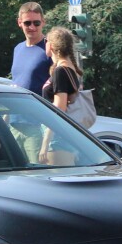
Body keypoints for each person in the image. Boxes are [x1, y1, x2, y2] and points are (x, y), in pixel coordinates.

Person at [8, 1, 51, 158]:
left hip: (37, 124)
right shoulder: (18, 48)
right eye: (27, 23)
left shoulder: (50, 48)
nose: (32, 27)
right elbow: (15, 84)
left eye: (36, 22)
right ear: (20, 23)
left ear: (43, 22)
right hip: (14, 123)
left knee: (37, 175)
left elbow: (63, 84)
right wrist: (4, 122)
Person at [38, 27, 84, 163]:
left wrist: (45, 143)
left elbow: (58, 109)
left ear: (51, 45)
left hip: (57, 136)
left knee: (58, 179)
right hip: (62, 134)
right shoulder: (69, 67)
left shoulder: (60, 71)